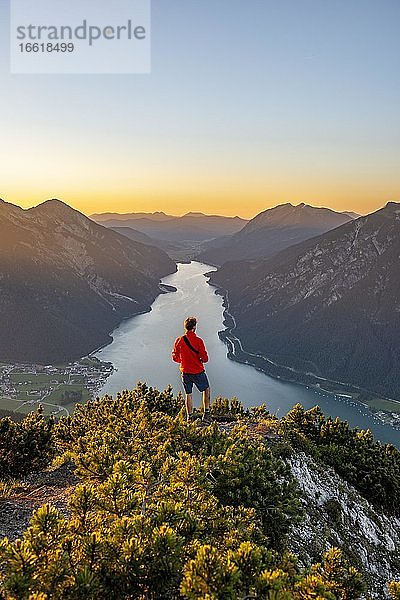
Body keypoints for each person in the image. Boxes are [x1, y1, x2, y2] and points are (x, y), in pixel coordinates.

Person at [172, 316, 211, 422]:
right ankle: (206, 415)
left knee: (188, 394)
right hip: (197, 371)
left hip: (185, 371)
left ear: (185, 327)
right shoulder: (198, 341)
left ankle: (190, 417)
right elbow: (205, 358)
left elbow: (175, 357)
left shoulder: (179, 340)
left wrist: (184, 361)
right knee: (206, 389)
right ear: (194, 327)